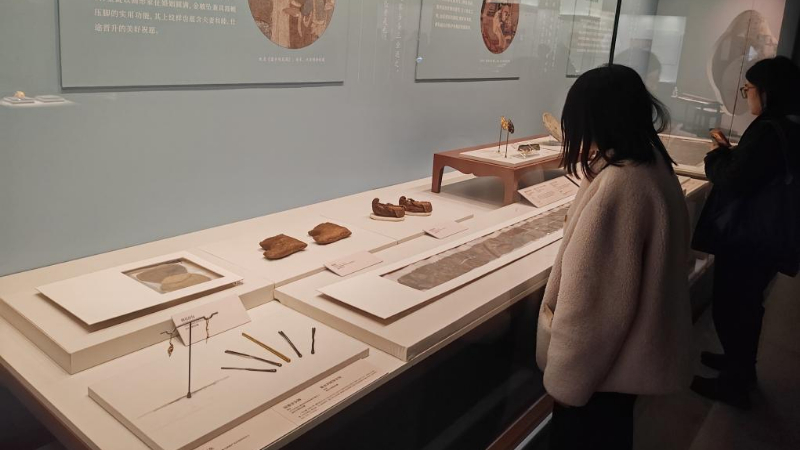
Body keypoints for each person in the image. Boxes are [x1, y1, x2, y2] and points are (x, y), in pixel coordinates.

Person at [536, 65, 693, 450]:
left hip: (598, 375)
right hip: (621, 368)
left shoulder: (621, 184)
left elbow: (593, 307)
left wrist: (568, 381)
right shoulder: (650, 164)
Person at [691, 56, 800, 410]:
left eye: (748, 88)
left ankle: (735, 382)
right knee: (747, 305)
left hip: (748, 239)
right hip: (762, 238)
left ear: (767, 92)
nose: (746, 95)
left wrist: (715, 156)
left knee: (733, 307)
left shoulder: (769, 130)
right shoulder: (785, 125)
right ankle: (739, 366)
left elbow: (734, 180)